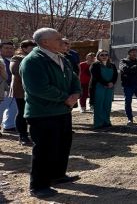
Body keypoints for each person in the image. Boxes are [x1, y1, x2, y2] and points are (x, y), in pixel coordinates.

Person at [20, 28, 81, 198]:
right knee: (45, 150)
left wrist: (76, 94)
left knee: (62, 145)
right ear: (45, 42)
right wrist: (65, 98)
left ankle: (57, 176)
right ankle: (38, 186)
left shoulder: (63, 58)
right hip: (42, 113)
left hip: (62, 111)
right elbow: (38, 88)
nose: (62, 41)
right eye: (58, 39)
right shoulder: (32, 61)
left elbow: (74, 78)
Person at [9, 40, 37, 145]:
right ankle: (23, 136)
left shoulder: (37, 58)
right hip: (21, 90)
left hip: (34, 90)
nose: (35, 50)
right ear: (24, 48)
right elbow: (15, 70)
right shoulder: (17, 58)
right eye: (32, 48)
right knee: (22, 113)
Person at [119, 48, 137, 124]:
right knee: (128, 101)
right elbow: (124, 69)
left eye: (135, 52)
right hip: (128, 85)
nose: (134, 54)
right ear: (129, 53)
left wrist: (133, 68)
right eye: (132, 52)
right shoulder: (123, 61)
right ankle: (130, 118)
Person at [89, 50, 118, 129]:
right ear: (98, 56)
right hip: (99, 87)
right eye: (102, 55)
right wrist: (105, 83)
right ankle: (98, 123)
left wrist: (112, 82)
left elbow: (115, 75)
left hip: (109, 88)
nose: (104, 56)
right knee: (99, 105)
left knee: (107, 105)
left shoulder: (112, 65)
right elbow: (96, 76)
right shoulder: (95, 65)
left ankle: (106, 121)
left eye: (106, 55)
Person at [1, 41, 17, 132]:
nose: (9, 50)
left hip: (14, 88)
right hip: (2, 88)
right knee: (1, 108)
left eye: (11, 48)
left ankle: (9, 126)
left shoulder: (14, 60)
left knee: (13, 108)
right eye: (6, 48)